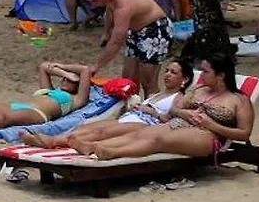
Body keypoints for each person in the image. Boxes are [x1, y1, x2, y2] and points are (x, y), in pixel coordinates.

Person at [24, 50, 252, 161]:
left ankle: (109, 152)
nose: (202, 75)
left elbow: (243, 134)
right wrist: (186, 114)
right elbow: (175, 109)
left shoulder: (239, 101)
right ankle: (94, 147)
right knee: (142, 136)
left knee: (155, 139)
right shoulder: (199, 91)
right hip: (179, 124)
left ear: (221, 75)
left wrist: (212, 123)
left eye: (207, 71)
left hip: (207, 136)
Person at [21, 60, 189, 148]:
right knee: (86, 128)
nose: (167, 74)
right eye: (166, 71)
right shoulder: (157, 94)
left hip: (146, 125)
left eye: (173, 73)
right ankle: (55, 139)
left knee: (101, 132)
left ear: (185, 79)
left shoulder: (180, 97)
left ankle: (52, 142)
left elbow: (172, 121)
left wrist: (152, 112)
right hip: (132, 117)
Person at [79, 0, 172, 90]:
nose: (94, 4)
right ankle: (132, 106)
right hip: (135, 31)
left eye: (95, 0)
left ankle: (150, 107)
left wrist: (96, 66)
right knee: (128, 80)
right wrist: (106, 32)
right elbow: (109, 9)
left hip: (156, 30)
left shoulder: (124, 6)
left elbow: (117, 41)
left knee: (148, 81)